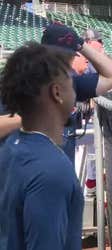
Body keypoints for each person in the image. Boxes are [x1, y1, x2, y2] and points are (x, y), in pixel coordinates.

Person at [0, 42, 83, 249]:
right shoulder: (51, 170)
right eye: (71, 83)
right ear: (57, 93)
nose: (75, 90)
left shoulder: (11, 145)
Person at [41, 23, 112, 164]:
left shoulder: (71, 84)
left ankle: (91, 181)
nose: (67, 62)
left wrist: (81, 44)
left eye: (70, 56)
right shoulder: (18, 86)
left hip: (64, 181)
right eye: (59, 56)